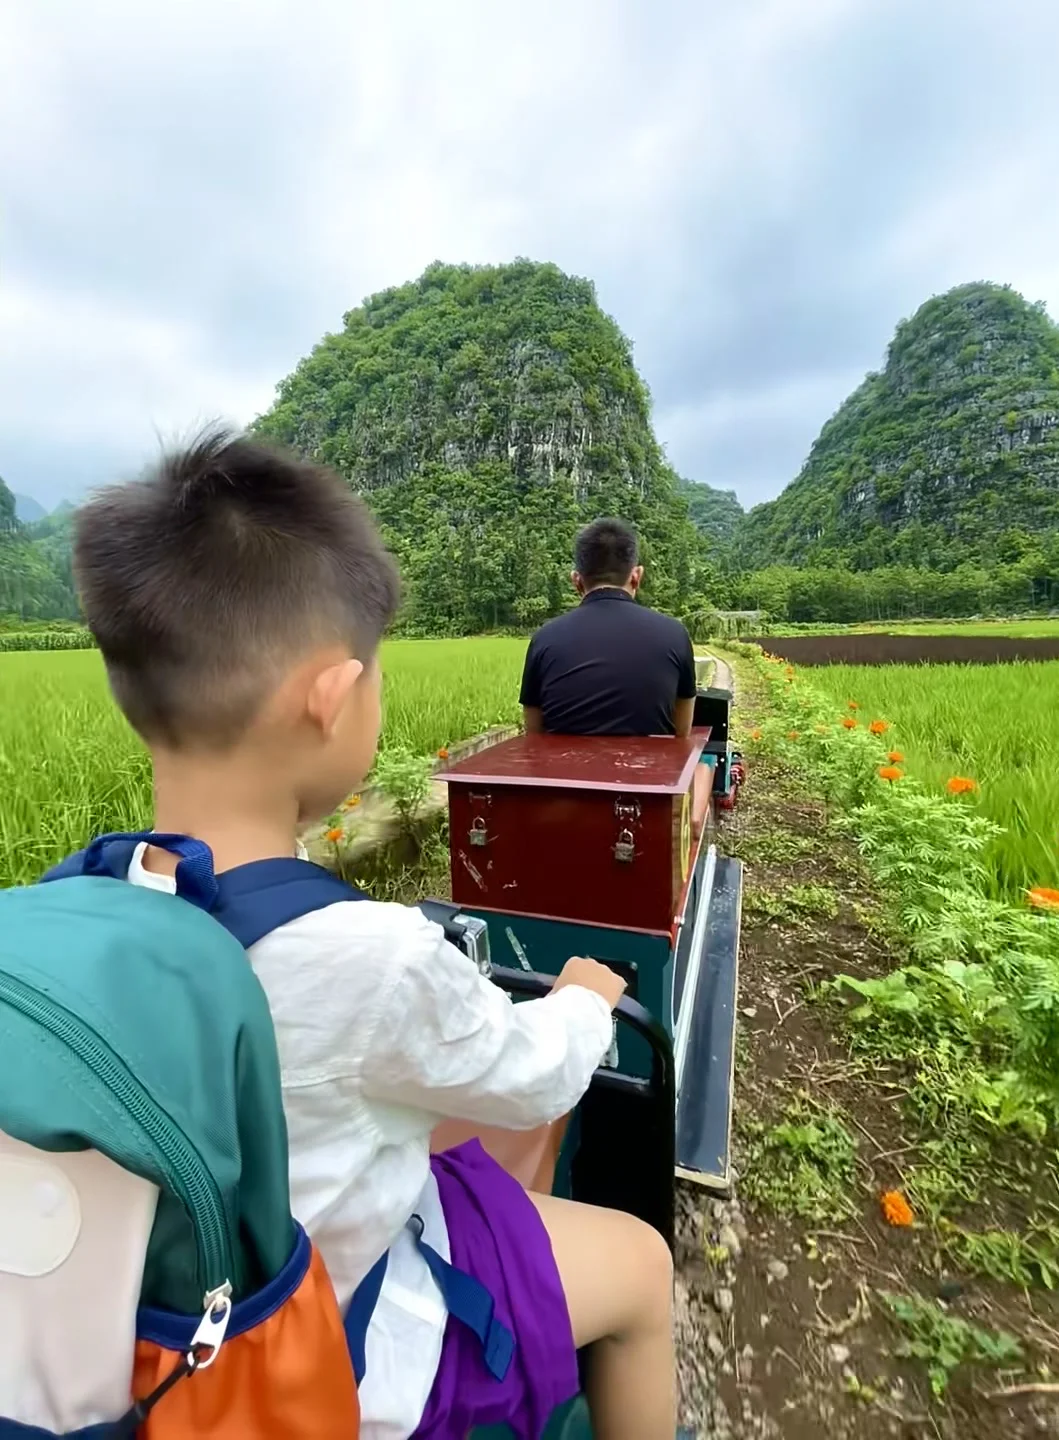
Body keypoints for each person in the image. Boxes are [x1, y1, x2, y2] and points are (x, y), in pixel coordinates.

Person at [71, 430, 677, 1440]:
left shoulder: (86, 902)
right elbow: (535, 1076)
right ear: (331, 698)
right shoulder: (373, 957)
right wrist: (584, 997)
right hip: (334, 1354)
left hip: (153, 1342)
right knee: (643, 1266)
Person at [520, 518, 698, 737]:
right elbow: (681, 734)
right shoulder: (675, 634)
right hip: (649, 761)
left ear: (577, 581)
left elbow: (533, 734)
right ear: (636, 576)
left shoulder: (544, 638)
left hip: (564, 761)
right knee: (694, 759)